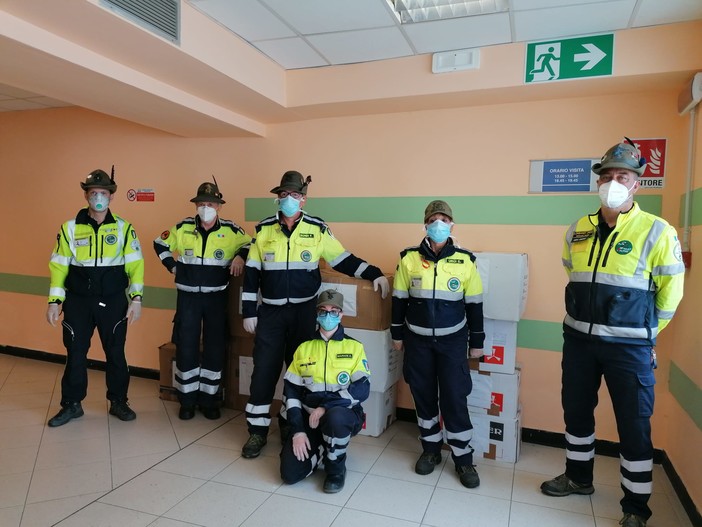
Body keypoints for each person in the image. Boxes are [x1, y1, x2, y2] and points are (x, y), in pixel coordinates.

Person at [540, 138, 685, 527]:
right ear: (598, 183)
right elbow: (574, 273)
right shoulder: (577, 230)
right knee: (576, 413)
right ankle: (578, 478)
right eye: (606, 176)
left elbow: (672, 292)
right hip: (579, 343)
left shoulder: (657, 231)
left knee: (634, 426)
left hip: (629, 349)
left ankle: (635, 509)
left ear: (636, 184)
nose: (613, 182)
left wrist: (647, 330)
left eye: (622, 176)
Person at [241, 170, 389, 458]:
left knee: (299, 374)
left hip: (304, 311)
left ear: (303, 200)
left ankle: (289, 423)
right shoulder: (263, 230)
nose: (288, 199)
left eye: (294, 195)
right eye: (283, 194)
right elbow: (251, 273)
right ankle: (256, 432)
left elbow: (342, 259)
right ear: (278, 198)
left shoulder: (317, 229)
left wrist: (374, 274)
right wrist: (249, 311)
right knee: (264, 372)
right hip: (270, 313)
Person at [391, 200, 485, 489]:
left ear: (452, 225)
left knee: (455, 397)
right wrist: (397, 335)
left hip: (453, 341)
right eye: (434, 219)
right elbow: (398, 301)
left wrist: (477, 342)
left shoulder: (466, 260)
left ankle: (462, 458)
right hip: (417, 340)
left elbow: (475, 305)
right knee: (423, 395)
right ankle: (430, 450)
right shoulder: (407, 259)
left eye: (444, 219)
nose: (439, 223)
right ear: (425, 224)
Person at [46, 167, 144, 427]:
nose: (98, 197)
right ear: (86, 196)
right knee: (75, 352)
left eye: (103, 192)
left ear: (111, 196)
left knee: (115, 352)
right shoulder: (69, 228)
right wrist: (54, 302)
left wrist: (136, 298)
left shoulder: (124, 228)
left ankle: (119, 401)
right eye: (93, 193)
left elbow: (136, 265)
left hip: (113, 300)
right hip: (78, 301)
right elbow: (58, 266)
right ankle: (72, 404)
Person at [154, 180, 251, 420]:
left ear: (219, 207)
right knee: (186, 345)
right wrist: (172, 266)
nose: (205, 207)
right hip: (187, 297)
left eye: (210, 204)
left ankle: (210, 399)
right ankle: (186, 400)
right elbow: (159, 243)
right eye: (202, 204)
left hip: (217, 297)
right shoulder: (183, 227)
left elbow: (253, 244)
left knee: (214, 346)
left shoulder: (230, 230)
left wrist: (240, 256)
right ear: (196, 205)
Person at [280, 289, 369, 493]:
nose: (328, 315)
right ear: (317, 314)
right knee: (290, 474)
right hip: (309, 417)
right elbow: (291, 392)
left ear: (341, 315)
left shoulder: (355, 347)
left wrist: (325, 407)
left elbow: (362, 389)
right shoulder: (304, 348)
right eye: (323, 310)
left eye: (334, 311)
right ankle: (320, 446)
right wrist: (298, 431)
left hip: (342, 414)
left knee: (335, 418)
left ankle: (335, 468)